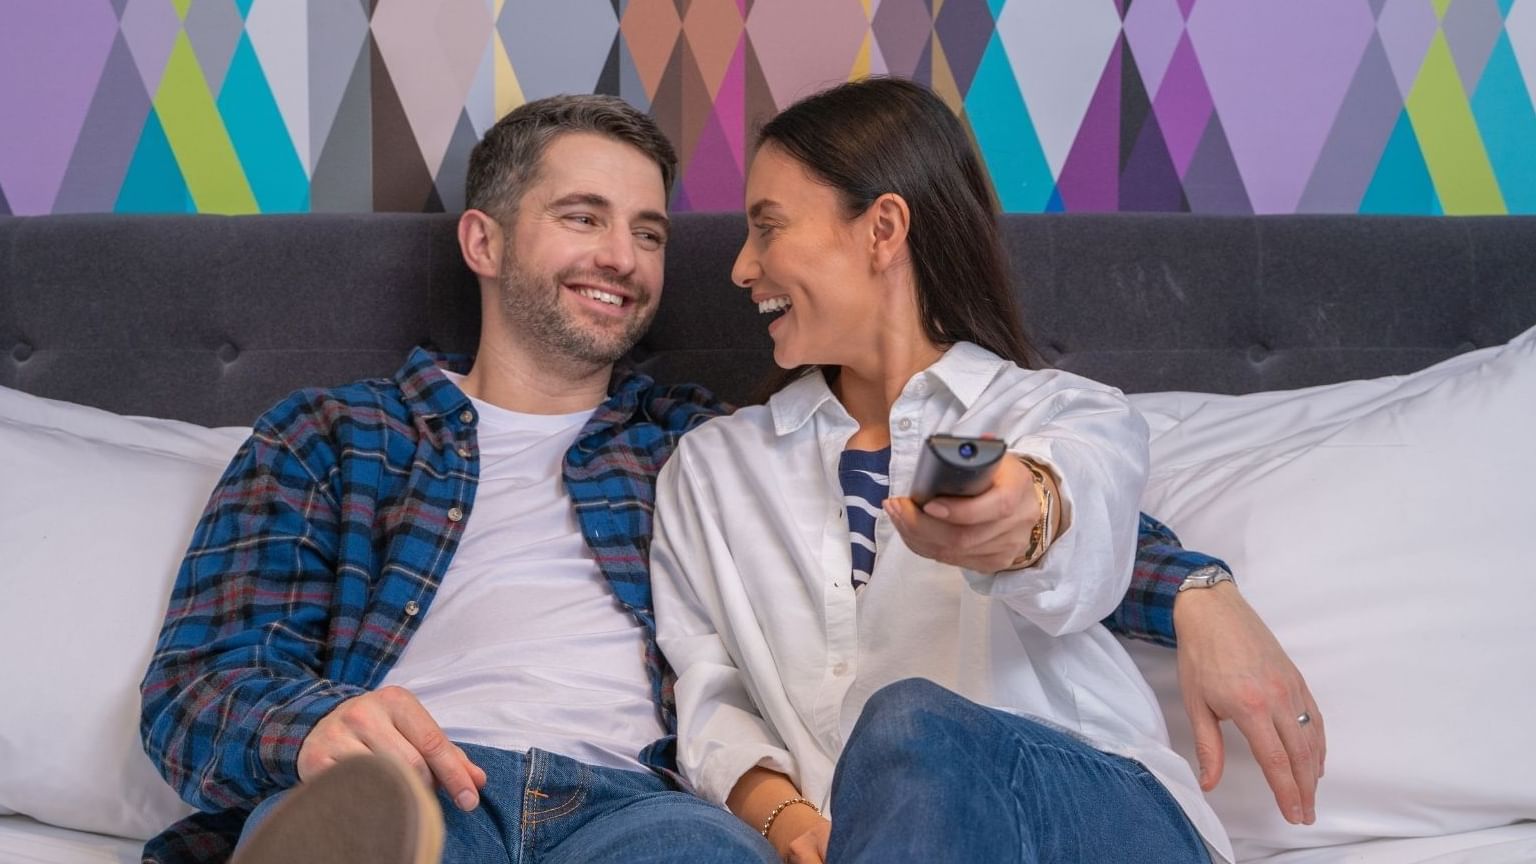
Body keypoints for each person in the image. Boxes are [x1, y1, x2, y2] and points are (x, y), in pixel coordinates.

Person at [139, 92, 1318, 864]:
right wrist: (318, 730)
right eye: (584, 217)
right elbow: (196, 686)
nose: (628, 257)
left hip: (639, 811)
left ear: (883, 231)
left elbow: (1058, 494)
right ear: (484, 243)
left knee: (718, 846)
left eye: (651, 231)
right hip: (424, 782)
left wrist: (1198, 586)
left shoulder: (678, 442)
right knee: (363, 828)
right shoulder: (332, 438)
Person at [649, 77, 1322, 864]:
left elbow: (1075, 508)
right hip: (870, 839)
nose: (741, 267)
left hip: (1099, 821)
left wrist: (1020, 518)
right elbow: (711, 697)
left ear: (883, 229)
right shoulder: (711, 470)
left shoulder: (1065, 414)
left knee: (907, 722)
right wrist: (793, 822)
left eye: (768, 229)